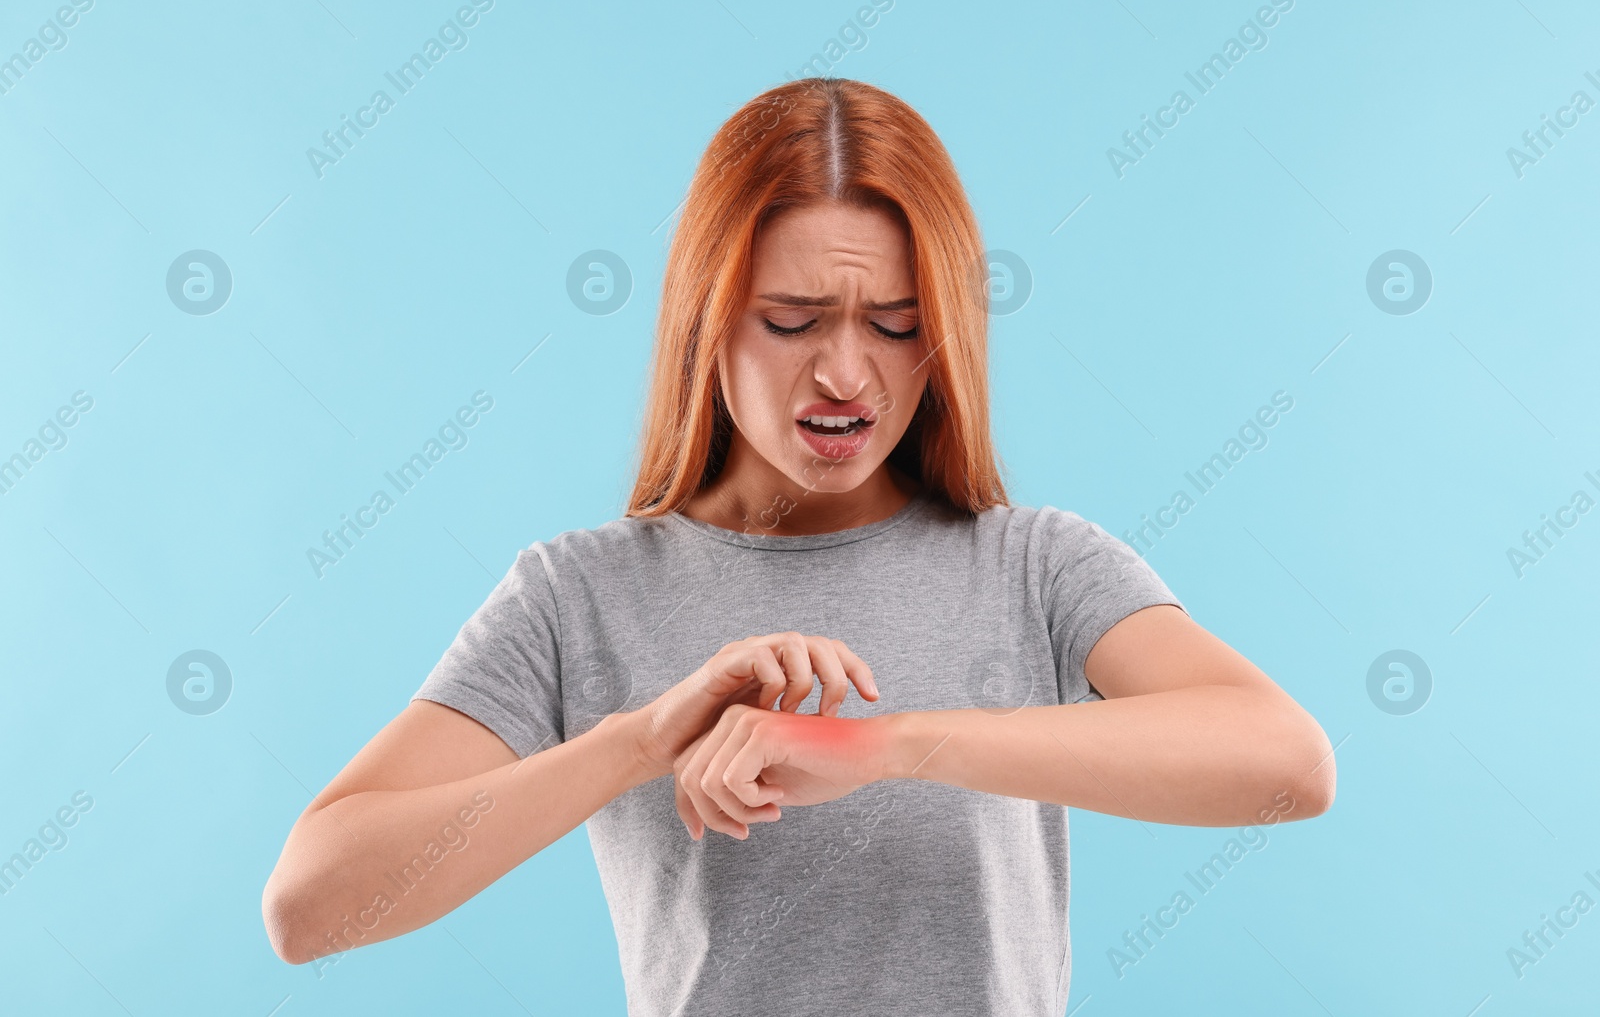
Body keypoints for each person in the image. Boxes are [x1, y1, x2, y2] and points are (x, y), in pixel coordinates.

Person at [261, 77, 1335, 1015]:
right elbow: (310, 906)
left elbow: (1286, 762)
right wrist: (639, 740)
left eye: (898, 322)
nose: (846, 374)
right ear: (706, 319)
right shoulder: (576, 594)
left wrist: (889, 743)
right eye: (791, 320)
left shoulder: (1036, 565)